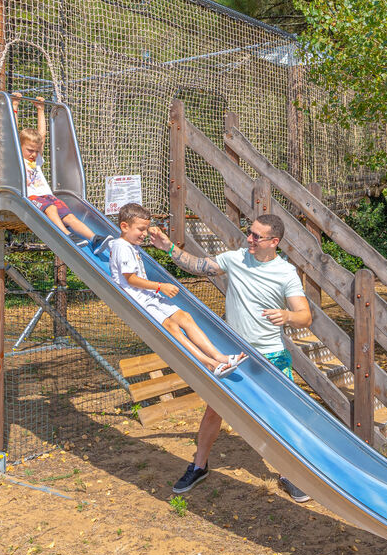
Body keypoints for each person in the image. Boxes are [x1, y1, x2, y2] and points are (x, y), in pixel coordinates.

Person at [148, 212, 314, 503]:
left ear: (274, 242)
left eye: (257, 236)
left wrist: (287, 315)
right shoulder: (235, 259)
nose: (249, 239)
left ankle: (289, 473)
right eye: (249, 232)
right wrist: (168, 247)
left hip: (271, 355)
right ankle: (199, 466)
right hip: (235, 353)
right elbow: (198, 266)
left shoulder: (286, 273)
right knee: (215, 409)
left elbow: (305, 316)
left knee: (279, 416)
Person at [110, 204, 246, 377]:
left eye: (146, 229)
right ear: (124, 226)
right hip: (137, 301)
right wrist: (160, 286)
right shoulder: (122, 246)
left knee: (184, 317)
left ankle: (219, 356)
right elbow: (131, 279)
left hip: (148, 297)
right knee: (171, 326)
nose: (144, 234)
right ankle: (209, 364)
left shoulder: (130, 244)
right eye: (141, 229)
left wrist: (152, 231)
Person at [12, 93, 104, 248]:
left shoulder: (36, 160)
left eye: (36, 151)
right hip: (31, 197)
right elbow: (12, 135)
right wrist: (14, 106)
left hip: (47, 195)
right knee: (51, 208)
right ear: (20, 146)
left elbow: (42, 136)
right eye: (30, 150)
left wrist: (40, 110)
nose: (34, 154)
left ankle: (94, 238)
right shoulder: (18, 159)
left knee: (69, 216)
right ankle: (67, 235)